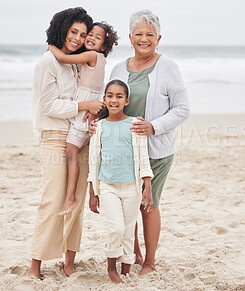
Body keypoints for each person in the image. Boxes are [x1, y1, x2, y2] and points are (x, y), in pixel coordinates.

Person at [90, 10, 190, 275]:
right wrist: (96, 122)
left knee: (149, 204)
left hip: (156, 150)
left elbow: (182, 109)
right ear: (131, 37)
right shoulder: (119, 68)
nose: (143, 39)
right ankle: (133, 254)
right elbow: (111, 103)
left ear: (158, 38)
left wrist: (153, 126)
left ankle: (149, 262)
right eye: (138, 34)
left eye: (149, 35)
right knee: (127, 206)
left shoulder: (168, 67)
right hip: (123, 151)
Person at [30, 7, 96, 279]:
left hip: (81, 138)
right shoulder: (48, 62)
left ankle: (69, 262)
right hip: (55, 136)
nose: (78, 38)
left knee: (76, 202)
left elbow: (91, 94)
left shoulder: (78, 62)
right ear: (62, 29)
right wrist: (83, 105)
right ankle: (35, 265)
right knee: (54, 199)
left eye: (82, 34)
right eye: (73, 32)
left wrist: (93, 115)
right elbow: (48, 105)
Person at [48, 21, 119, 216]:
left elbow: (63, 58)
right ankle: (89, 191)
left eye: (97, 38)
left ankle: (71, 196)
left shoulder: (91, 55)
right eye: (90, 35)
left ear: (103, 46)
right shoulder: (100, 58)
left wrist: (51, 47)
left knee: (71, 150)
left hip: (85, 105)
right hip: (92, 102)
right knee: (88, 154)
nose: (91, 38)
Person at [88, 79, 154, 283]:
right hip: (108, 186)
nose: (114, 100)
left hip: (132, 187)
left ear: (127, 100)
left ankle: (126, 268)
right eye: (110, 95)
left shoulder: (135, 123)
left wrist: (147, 187)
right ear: (104, 99)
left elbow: (143, 157)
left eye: (119, 96)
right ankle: (111, 267)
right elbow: (93, 160)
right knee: (115, 227)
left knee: (128, 228)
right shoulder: (98, 127)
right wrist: (93, 191)